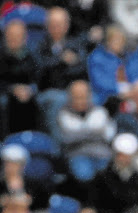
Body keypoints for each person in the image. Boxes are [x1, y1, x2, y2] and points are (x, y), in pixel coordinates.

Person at [35, 6, 87, 140]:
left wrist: (61, 64)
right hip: (48, 91)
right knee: (58, 99)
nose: (56, 28)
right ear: (47, 26)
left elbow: (81, 69)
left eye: (59, 25)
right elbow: (40, 70)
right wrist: (61, 60)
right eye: (52, 25)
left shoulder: (76, 44)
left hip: (72, 89)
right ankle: (58, 144)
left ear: (66, 26)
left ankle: (85, 140)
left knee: (94, 99)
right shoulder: (40, 46)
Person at [57, 80, 116, 184]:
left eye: (83, 96)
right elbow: (66, 138)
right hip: (77, 155)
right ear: (70, 97)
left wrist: (80, 133)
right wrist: (95, 132)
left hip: (103, 154)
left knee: (111, 175)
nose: (80, 101)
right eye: (77, 97)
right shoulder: (63, 114)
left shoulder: (100, 111)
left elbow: (108, 135)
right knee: (84, 175)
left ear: (90, 96)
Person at [87, 132, 138, 213]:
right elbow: (96, 204)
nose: (124, 159)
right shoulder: (103, 177)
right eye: (121, 155)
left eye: (127, 156)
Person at [0, 19, 40, 137]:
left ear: (25, 38)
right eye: (11, 36)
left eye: (18, 36)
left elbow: (41, 79)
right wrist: (12, 89)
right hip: (5, 93)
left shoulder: (33, 56)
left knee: (40, 101)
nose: (14, 39)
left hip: (29, 93)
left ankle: (36, 139)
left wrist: (30, 89)